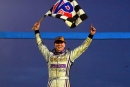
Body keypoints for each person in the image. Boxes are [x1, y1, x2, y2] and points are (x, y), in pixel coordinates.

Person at [33, 22, 96, 87]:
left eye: (61, 43)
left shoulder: (69, 55)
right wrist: (36, 30)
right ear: (54, 44)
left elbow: (82, 47)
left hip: (64, 84)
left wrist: (91, 35)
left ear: (64, 44)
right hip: (51, 83)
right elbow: (40, 45)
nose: (59, 44)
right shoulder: (49, 55)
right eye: (57, 43)